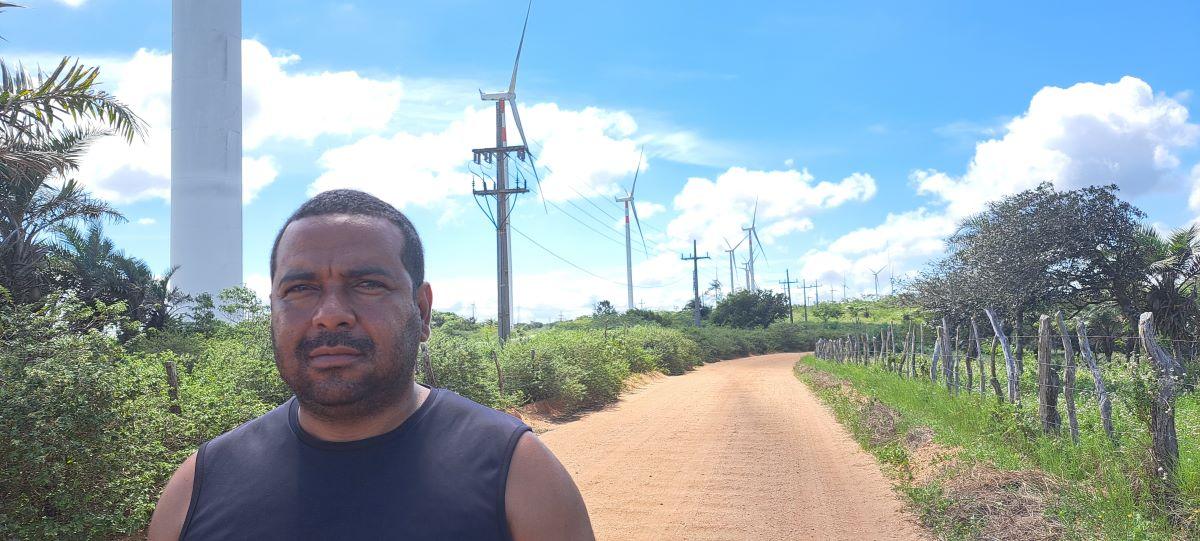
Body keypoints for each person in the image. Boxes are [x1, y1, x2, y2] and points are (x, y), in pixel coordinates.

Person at [149, 189, 594, 540]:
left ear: (422, 311)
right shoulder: (199, 484)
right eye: (300, 288)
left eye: (367, 284)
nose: (329, 313)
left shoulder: (517, 474)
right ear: (273, 309)